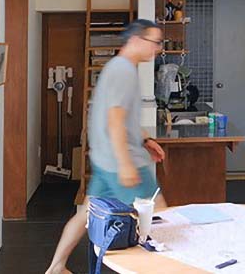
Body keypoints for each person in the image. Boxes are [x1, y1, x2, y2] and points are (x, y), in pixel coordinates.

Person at [46, 19, 167, 274]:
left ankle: (56, 267)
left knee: (87, 213)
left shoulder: (119, 67)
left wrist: (146, 140)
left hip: (105, 160)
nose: (158, 48)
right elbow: (115, 120)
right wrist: (125, 164)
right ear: (136, 40)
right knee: (160, 218)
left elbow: (122, 117)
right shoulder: (123, 71)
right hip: (122, 162)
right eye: (155, 42)